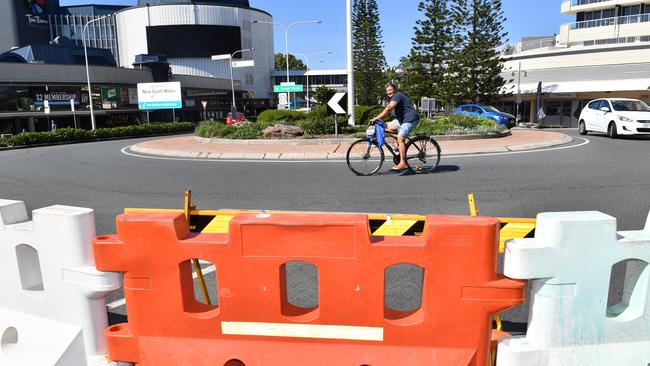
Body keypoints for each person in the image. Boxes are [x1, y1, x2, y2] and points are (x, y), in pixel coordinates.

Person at [371, 82, 420, 171]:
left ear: (395, 89)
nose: (389, 92)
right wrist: (380, 120)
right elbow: (388, 111)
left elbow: (389, 108)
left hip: (410, 118)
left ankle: (403, 163)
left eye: (390, 90)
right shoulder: (394, 97)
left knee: (400, 138)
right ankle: (400, 144)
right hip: (402, 120)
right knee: (385, 127)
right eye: (387, 91)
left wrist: (376, 118)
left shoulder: (397, 95)